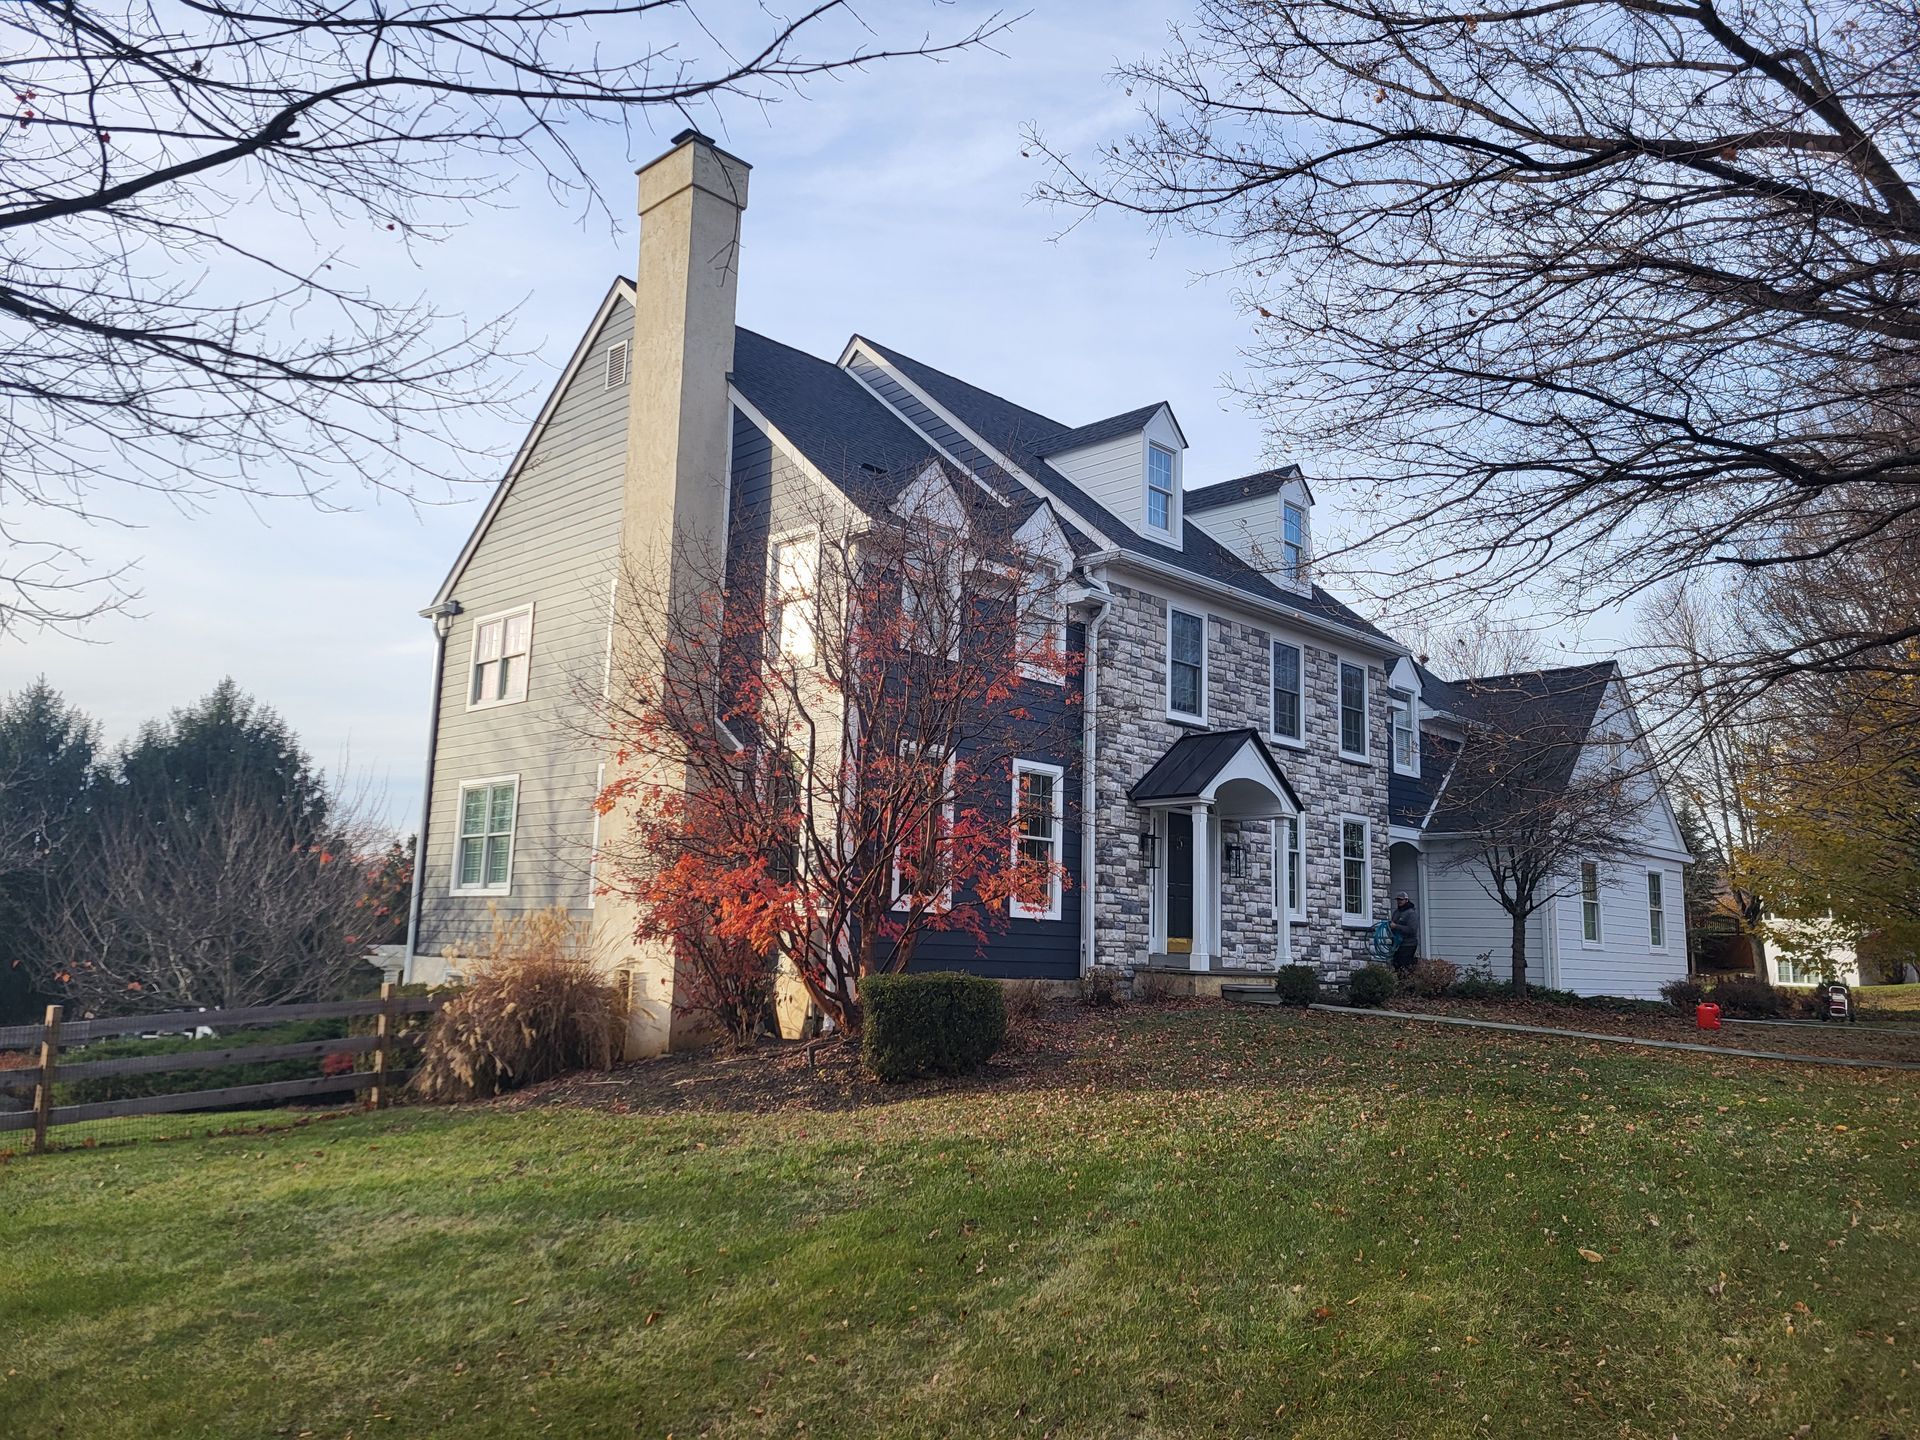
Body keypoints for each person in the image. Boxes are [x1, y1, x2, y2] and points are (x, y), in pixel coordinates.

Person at [1389, 892, 1419, 972]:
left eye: (1401, 900)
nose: (1399, 901)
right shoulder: (1396, 912)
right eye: (1398, 899)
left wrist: (1396, 926)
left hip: (1408, 945)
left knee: (1405, 967)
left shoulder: (1411, 913)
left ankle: (1407, 983)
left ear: (1406, 900)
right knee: (1396, 966)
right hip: (1398, 945)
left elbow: (1412, 930)